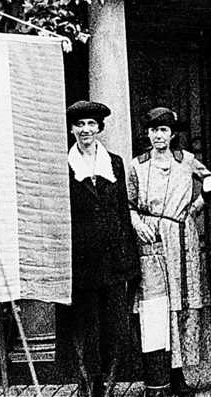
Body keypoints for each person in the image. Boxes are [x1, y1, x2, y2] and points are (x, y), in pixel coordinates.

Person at [127, 107, 211, 396]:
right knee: (157, 308)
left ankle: (179, 374)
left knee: (182, 304)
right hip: (151, 239)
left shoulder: (187, 161)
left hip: (183, 238)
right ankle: (160, 375)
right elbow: (128, 203)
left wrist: (193, 210)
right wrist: (137, 225)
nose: (159, 136)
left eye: (164, 130)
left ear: (172, 134)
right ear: (147, 133)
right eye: (154, 130)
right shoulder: (137, 165)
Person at [57, 101, 140, 397]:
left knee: (113, 327)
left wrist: (129, 258)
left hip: (114, 260)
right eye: (80, 125)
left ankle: (107, 383)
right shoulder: (62, 165)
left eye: (91, 124)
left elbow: (122, 210)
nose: (86, 130)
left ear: (100, 128)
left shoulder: (114, 163)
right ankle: (87, 383)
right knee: (85, 326)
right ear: (71, 129)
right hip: (81, 262)